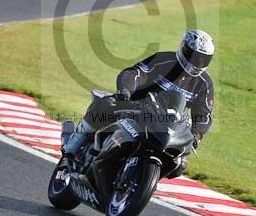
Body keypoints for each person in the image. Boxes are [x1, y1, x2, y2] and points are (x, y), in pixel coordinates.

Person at [63, 29, 215, 177]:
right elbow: (135, 73)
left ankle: (142, 178)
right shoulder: (163, 60)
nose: (197, 62)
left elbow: (204, 113)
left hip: (167, 123)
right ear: (183, 48)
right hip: (137, 106)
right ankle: (73, 146)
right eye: (193, 56)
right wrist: (125, 91)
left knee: (179, 165)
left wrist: (196, 133)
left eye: (203, 58)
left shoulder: (204, 83)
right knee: (105, 105)